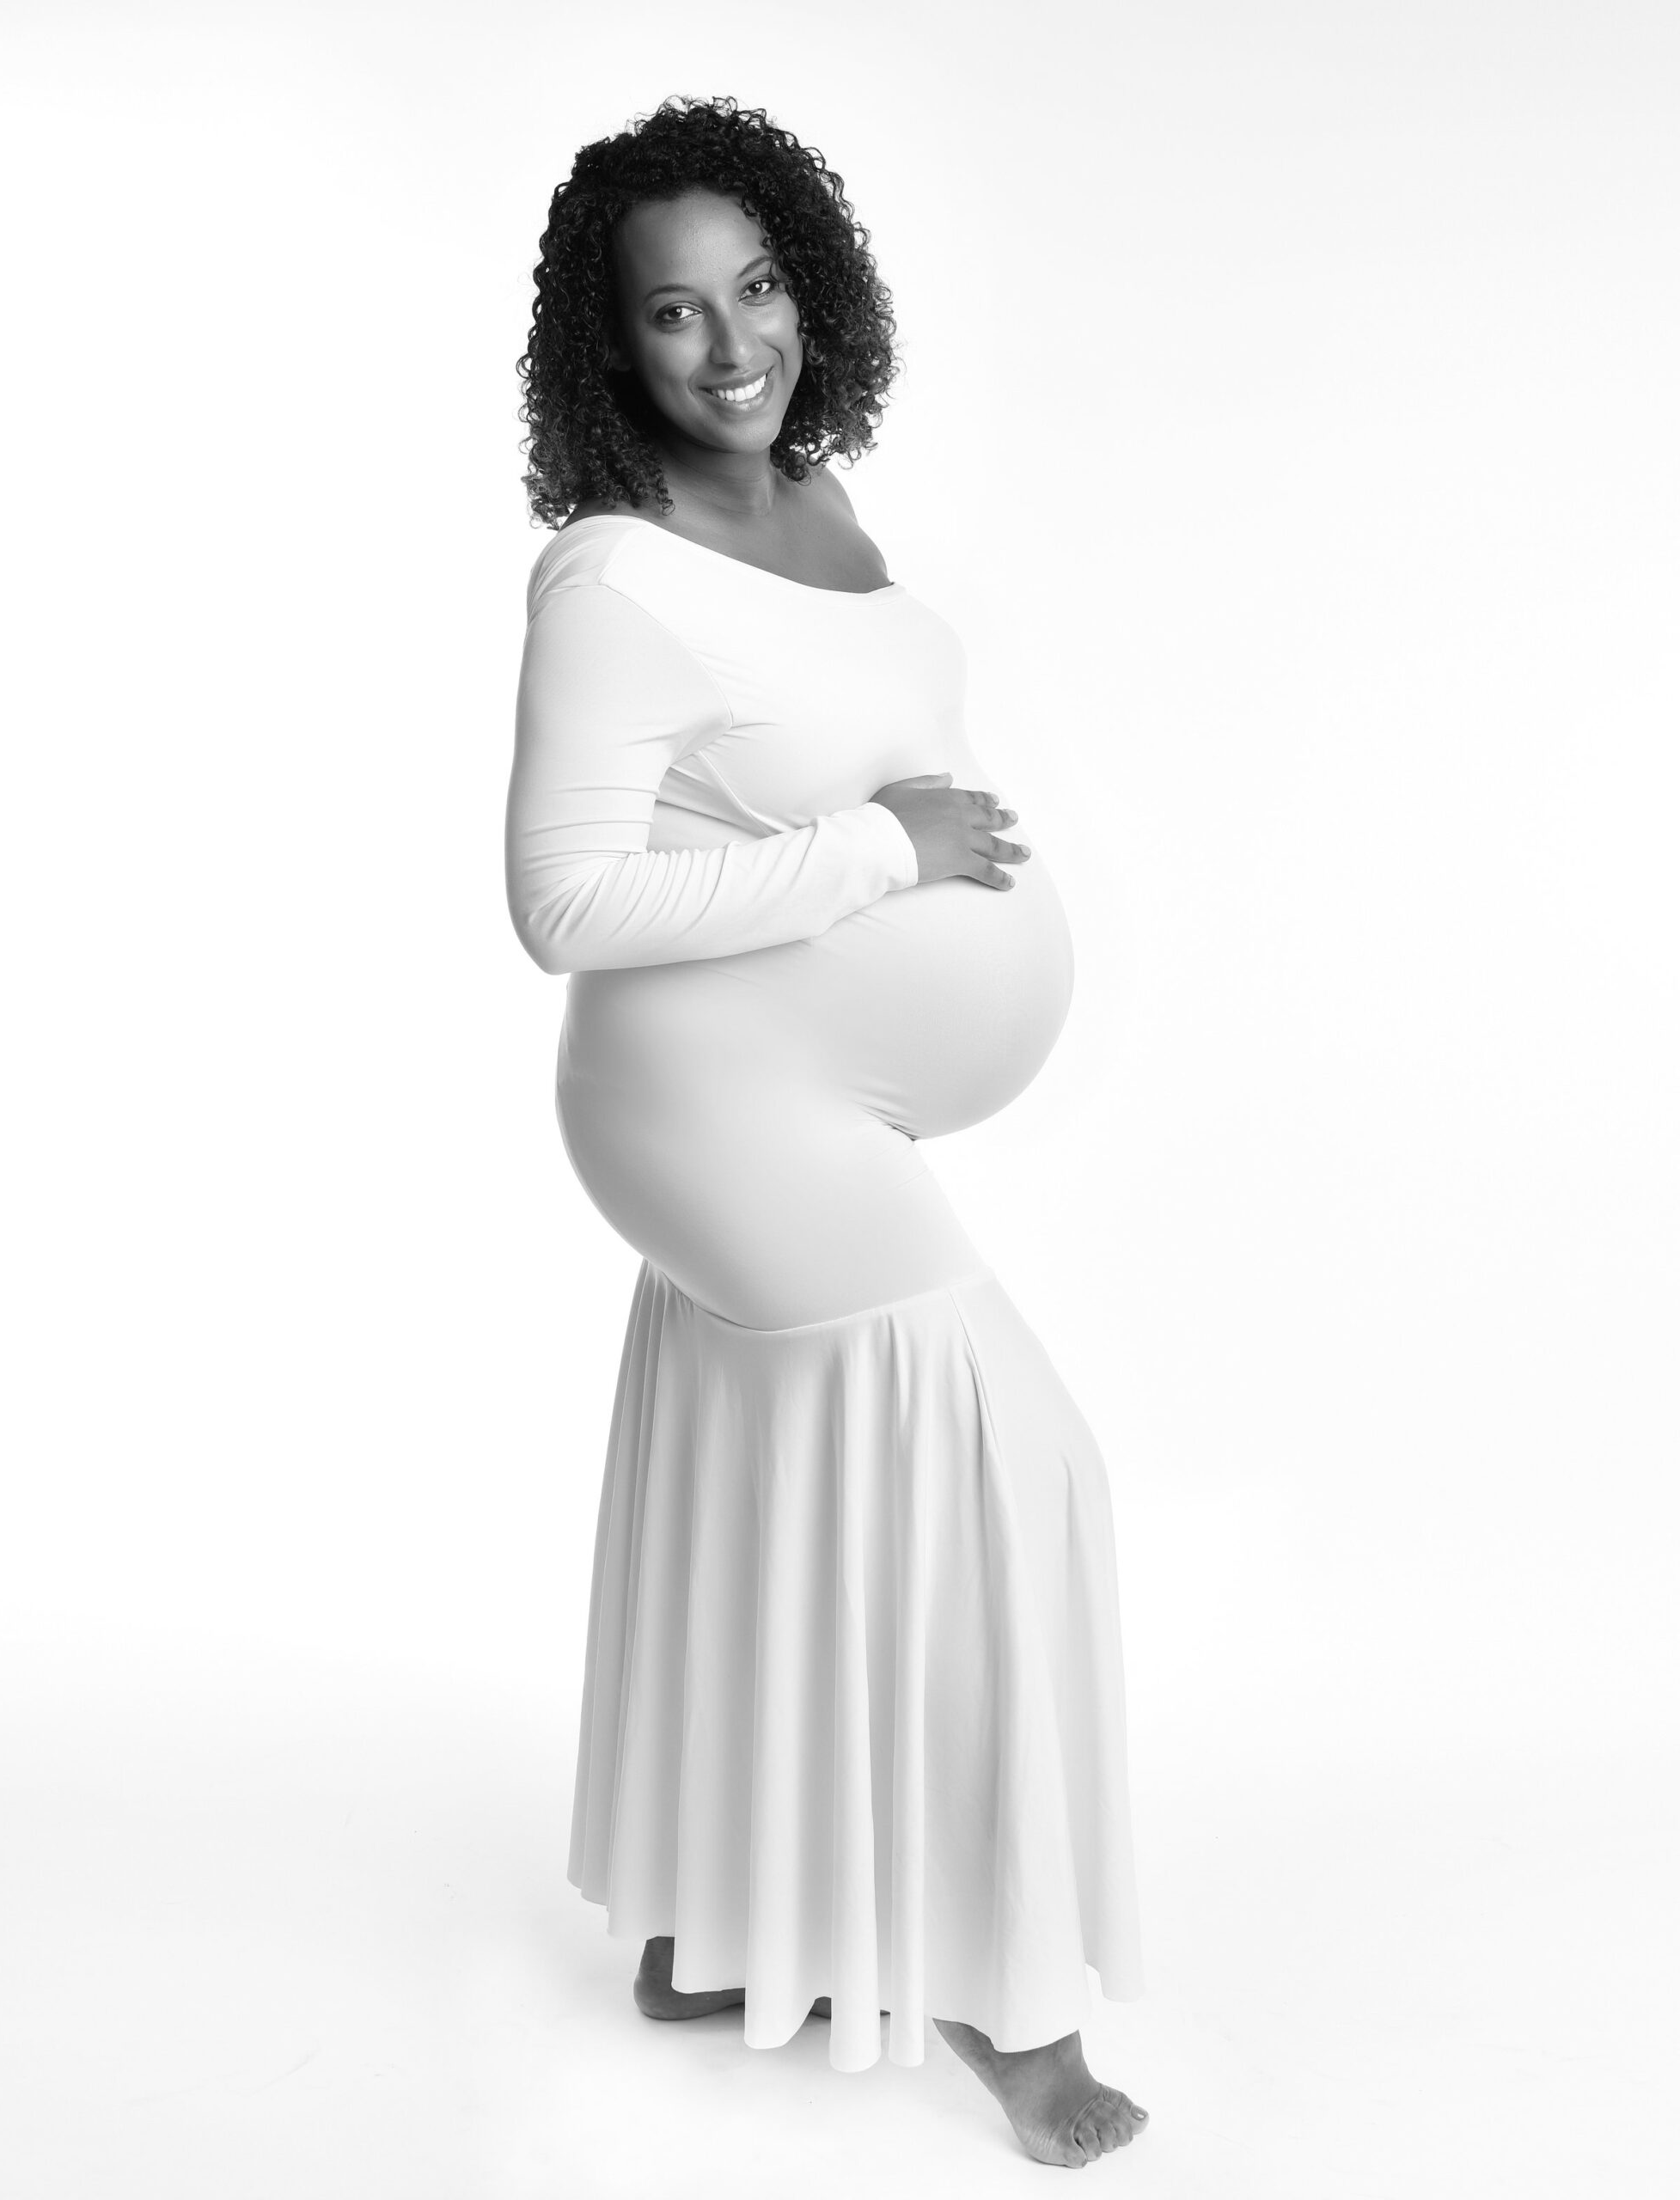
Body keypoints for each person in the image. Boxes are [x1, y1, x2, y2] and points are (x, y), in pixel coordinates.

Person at [504, 94, 1150, 2168]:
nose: (728, 345)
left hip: (790, 1085)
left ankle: (717, 1920)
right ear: (611, 349)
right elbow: (565, 904)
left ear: (814, 284)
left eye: (758, 284)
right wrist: (883, 847)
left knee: (767, 1465)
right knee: (1006, 1463)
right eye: (672, 311)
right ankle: (1002, 1995)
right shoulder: (610, 574)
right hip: (708, 1100)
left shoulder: (817, 492)